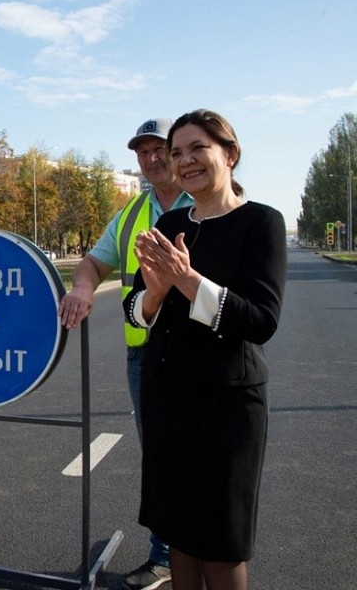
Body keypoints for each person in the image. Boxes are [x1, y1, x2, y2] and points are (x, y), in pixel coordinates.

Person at [123, 109, 286, 590]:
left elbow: (262, 321)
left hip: (227, 407)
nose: (185, 160)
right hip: (168, 398)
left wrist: (189, 281)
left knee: (220, 544)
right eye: (177, 153)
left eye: (198, 148)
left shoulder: (261, 223)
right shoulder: (170, 221)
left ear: (229, 154)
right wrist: (153, 294)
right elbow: (135, 311)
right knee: (179, 539)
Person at [59, 118, 192, 590]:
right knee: (159, 457)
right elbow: (94, 262)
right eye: (144, 152)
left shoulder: (209, 201)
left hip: (203, 355)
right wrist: (82, 288)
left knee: (204, 456)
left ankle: (203, 558)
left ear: (177, 152)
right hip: (146, 357)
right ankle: (162, 558)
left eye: (161, 149)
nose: (153, 159)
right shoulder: (132, 212)